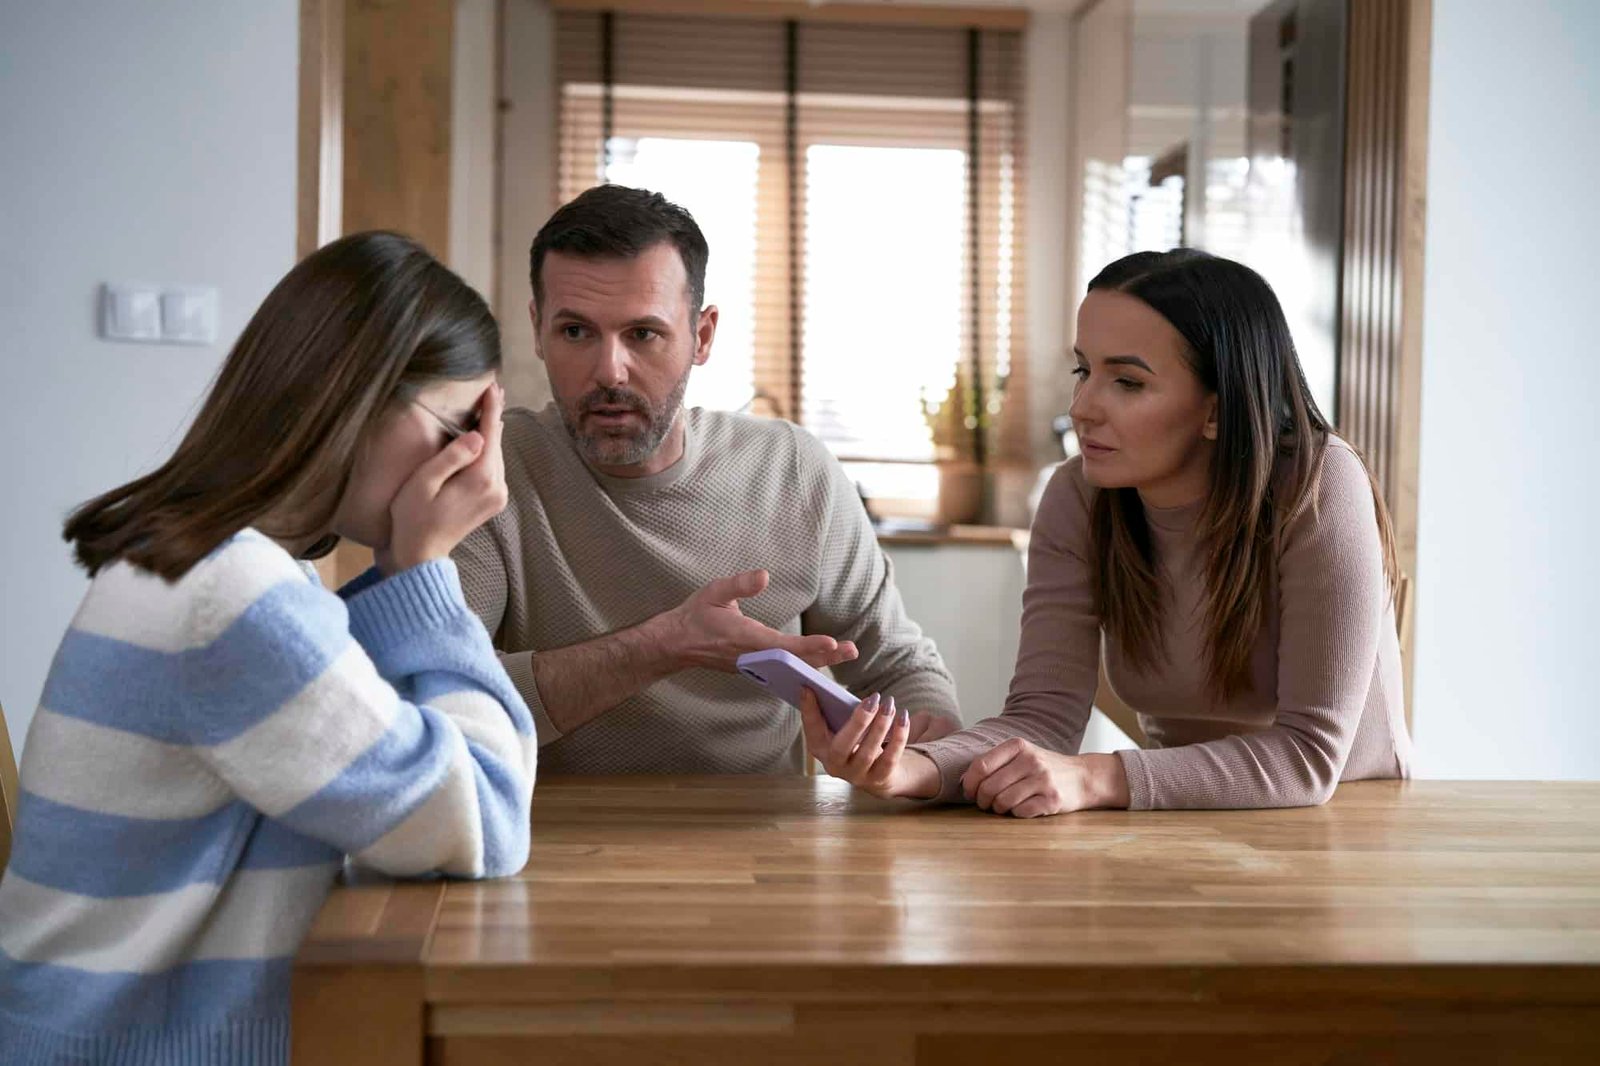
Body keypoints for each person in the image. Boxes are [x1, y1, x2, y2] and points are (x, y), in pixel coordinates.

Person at [0, 232, 537, 1063]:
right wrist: (426, 569)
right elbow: (487, 819)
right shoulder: (235, 600)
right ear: (361, 399)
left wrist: (405, 570)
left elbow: (387, 740)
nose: (477, 464)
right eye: (461, 426)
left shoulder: (218, 566)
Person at [803, 248, 1411, 814]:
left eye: (1127, 381)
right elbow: (1041, 720)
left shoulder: (1320, 484)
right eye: (1083, 369)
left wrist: (1094, 778)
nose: (1083, 406)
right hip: (1183, 824)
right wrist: (913, 771)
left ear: (1217, 410)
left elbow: (1308, 757)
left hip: (1350, 828)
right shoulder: (1078, 496)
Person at [453, 184, 960, 773]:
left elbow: (895, 664)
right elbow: (447, 696)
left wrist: (925, 737)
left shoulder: (792, 470)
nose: (608, 370)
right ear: (538, 329)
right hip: (548, 841)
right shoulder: (494, 469)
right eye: (576, 332)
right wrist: (665, 645)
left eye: (643, 334)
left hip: (763, 843)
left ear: (702, 335)